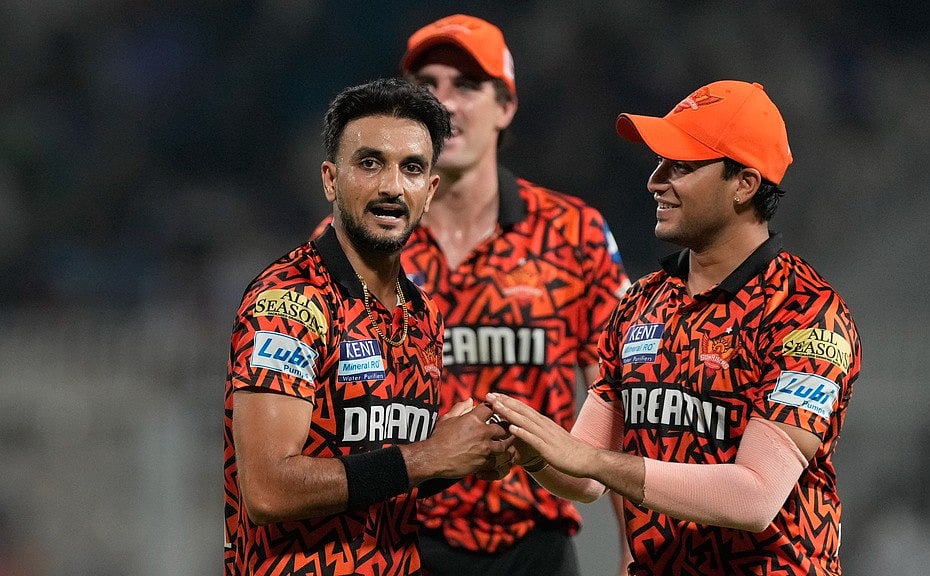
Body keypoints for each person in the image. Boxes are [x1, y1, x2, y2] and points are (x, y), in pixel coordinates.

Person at [488, 79, 862, 575]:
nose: (655, 180)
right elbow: (583, 477)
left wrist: (592, 462)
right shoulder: (641, 302)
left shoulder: (807, 312)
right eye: (659, 162)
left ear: (744, 185)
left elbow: (754, 497)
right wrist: (530, 448)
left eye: (680, 166)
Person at [312, 13, 632, 576]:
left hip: (535, 548)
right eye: (427, 87)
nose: (445, 103)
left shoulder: (575, 235)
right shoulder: (349, 240)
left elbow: (626, 408)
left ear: (505, 107)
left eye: (466, 85)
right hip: (392, 545)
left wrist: (641, 557)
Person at [223, 77, 515, 576]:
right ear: (331, 180)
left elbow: (376, 475)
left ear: (430, 191)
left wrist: (462, 454)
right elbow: (271, 489)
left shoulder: (423, 315)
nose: (391, 187)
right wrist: (430, 455)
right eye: (370, 163)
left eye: (412, 169)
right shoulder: (290, 302)